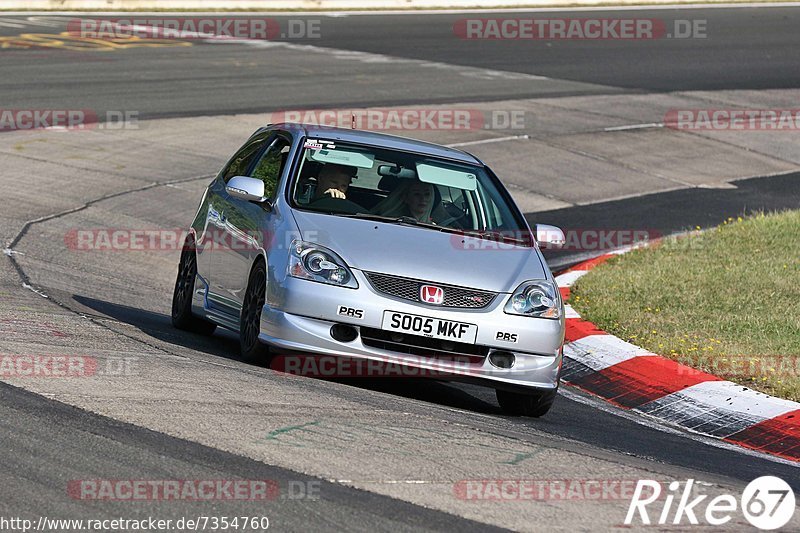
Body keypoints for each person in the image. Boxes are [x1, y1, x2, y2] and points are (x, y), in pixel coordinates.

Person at [372, 179, 437, 223]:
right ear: (406, 198)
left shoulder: (434, 225)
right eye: (417, 194)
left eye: (427, 194)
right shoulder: (395, 221)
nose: (423, 199)